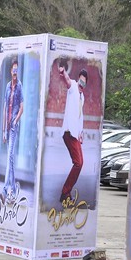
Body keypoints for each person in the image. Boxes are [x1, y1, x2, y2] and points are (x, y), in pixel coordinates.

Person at [58, 64, 88, 203]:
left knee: (80, 163)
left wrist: (81, 132)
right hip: (69, 132)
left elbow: (80, 116)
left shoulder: (82, 97)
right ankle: (65, 192)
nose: (81, 84)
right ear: (78, 80)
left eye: (84, 83)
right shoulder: (73, 88)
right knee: (78, 163)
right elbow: (68, 81)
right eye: (80, 81)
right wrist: (63, 73)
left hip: (75, 134)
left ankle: (66, 191)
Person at [0, 60, 24, 202]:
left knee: (10, 155)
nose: (15, 72)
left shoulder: (19, 86)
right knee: (10, 158)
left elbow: (22, 107)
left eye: (17, 70)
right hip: (7, 126)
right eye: (13, 70)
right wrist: (3, 129)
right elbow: (4, 109)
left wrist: (16, 120)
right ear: (11, 71)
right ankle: (13, 190)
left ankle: (5, 190)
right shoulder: (8, 86)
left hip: (14, 126)